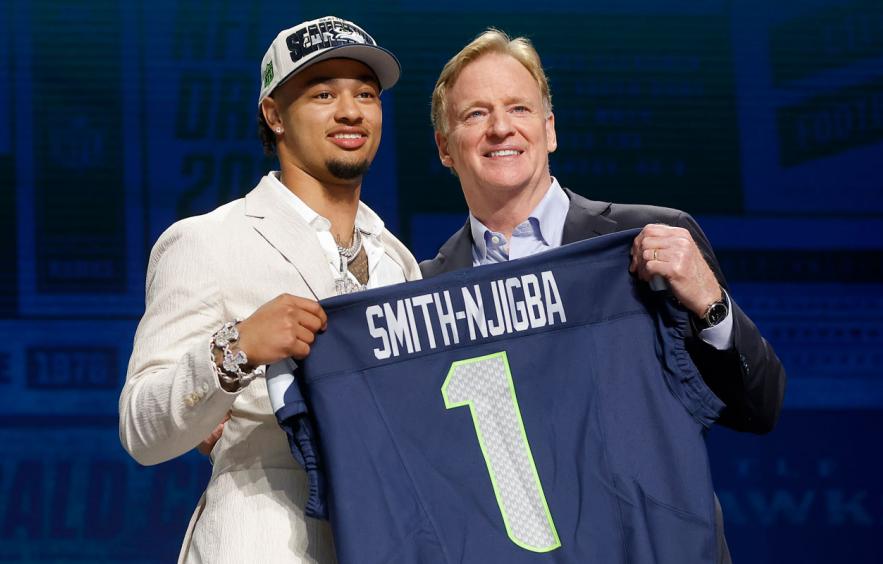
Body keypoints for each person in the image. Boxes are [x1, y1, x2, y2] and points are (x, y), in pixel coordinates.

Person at [421, 29, 787, 562]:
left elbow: (760, 407)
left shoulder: (653, 238)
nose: (501, 127)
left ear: (549, 130)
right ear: (444, 148)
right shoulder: (425, 293)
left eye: (519, 108)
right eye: (476, 114)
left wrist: (710, 304)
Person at [119, 16, 419, 563]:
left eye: (366, 94)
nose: (351, 111)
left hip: (386, 541)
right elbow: (142, 429)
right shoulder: (208, 241)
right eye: (323, 93)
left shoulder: (397, 261)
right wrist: (236, 350)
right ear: (274, 115)